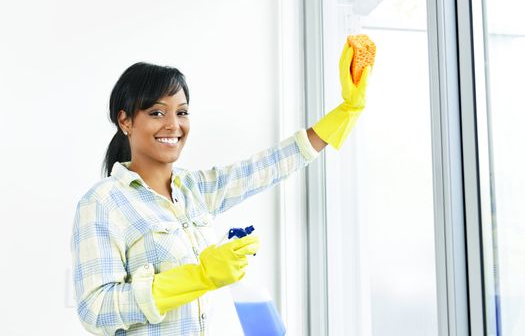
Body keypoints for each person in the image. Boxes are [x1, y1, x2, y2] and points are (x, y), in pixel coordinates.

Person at [71, 39, 372, 335]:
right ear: (125, 121)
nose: (174, 125)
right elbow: (96, 310)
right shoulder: (103, 202)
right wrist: (200, 275)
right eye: (156, 113)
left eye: (182, 112)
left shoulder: (194, 189)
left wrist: (345, 112)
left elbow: (267, 167)